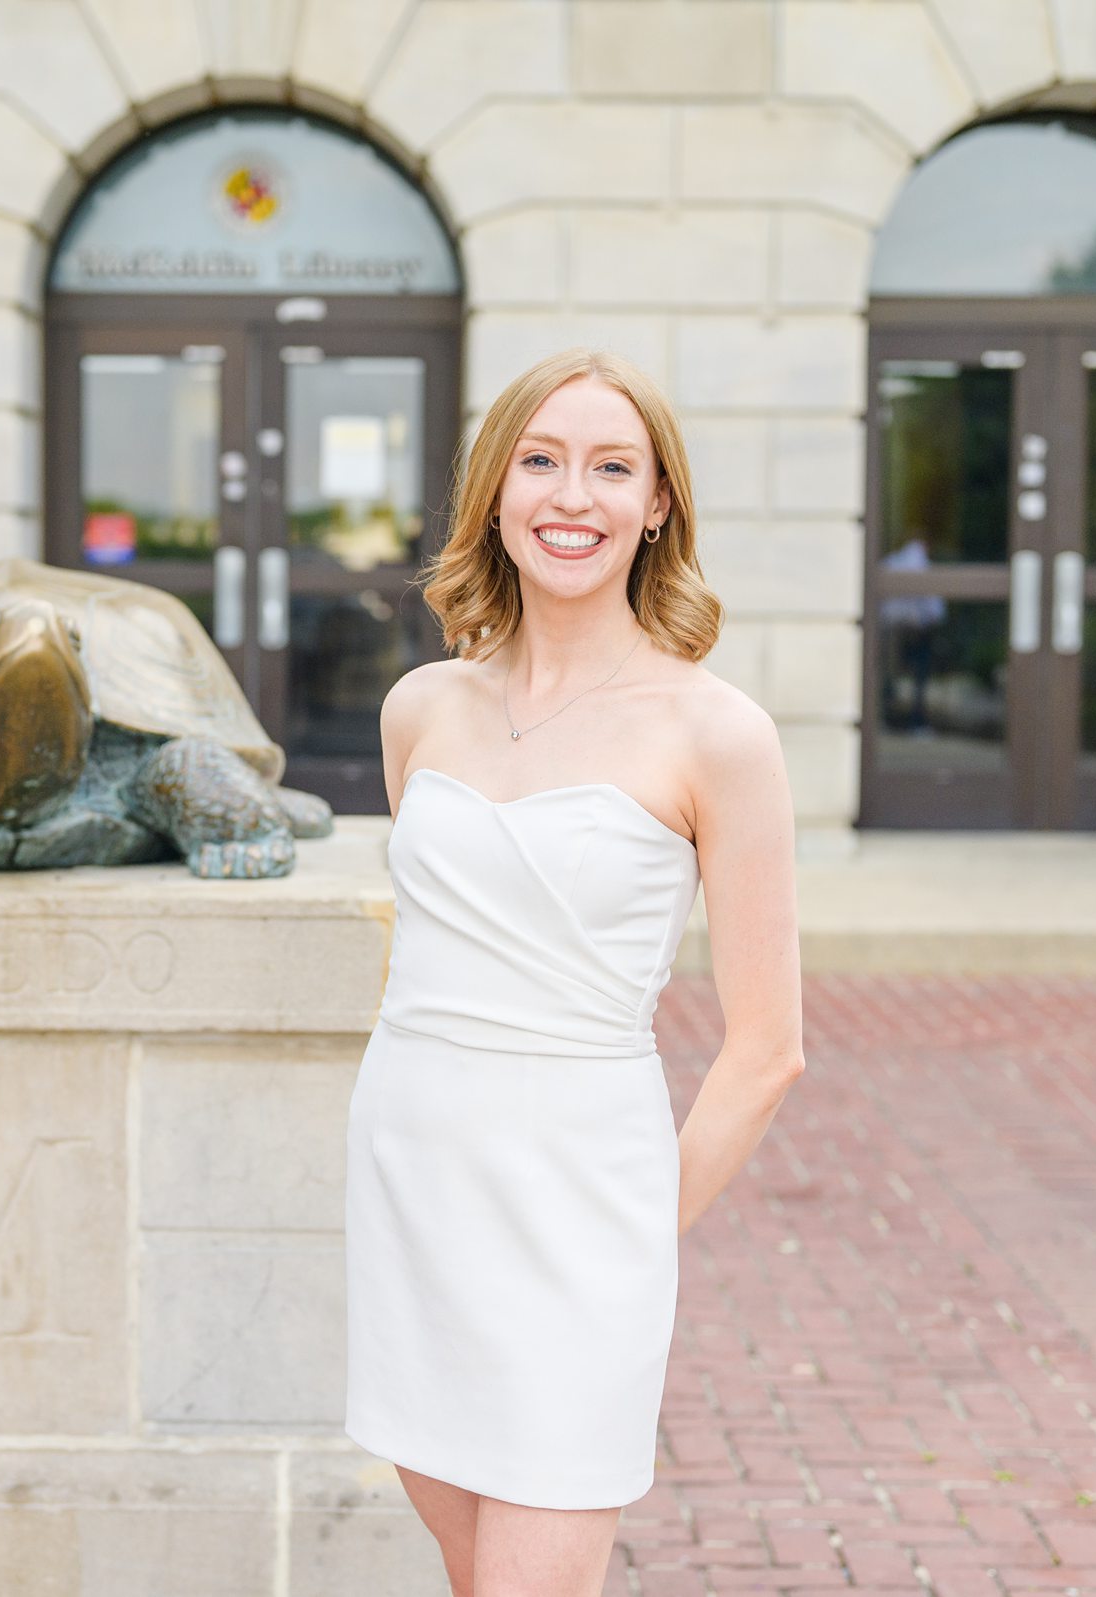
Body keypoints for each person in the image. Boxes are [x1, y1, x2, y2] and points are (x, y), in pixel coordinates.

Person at [344, 347, 808, 1595]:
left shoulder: (716, 733)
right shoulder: (421, 710)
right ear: (496, 490)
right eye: (541, 460)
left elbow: (768, 1049)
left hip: (582, 1214)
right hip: (416, 1193)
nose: (572, 495)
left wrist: (629, 1244)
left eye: (612, 467)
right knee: (468, 1564)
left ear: (658, 504)